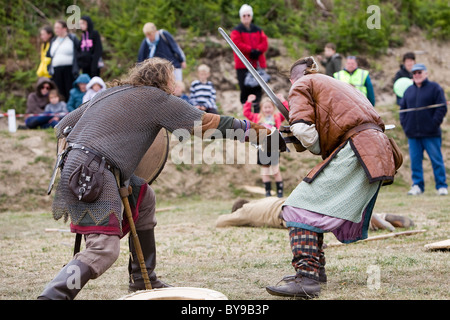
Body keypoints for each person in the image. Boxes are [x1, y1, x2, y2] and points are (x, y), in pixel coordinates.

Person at [37, 57, 272, 299]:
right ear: (165, 81)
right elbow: (207, 123)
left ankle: (143, 278)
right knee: (103, 250)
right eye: (173, 80)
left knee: (144, 196)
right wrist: (255, 131)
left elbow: (62, 127)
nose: (175, 86)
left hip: (77, 167)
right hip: (94, 173)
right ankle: (53, 296)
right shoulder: (158, 99)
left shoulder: (109, 93)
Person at [265, 57, 397, 298]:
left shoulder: (301, 85)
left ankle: (306, 278)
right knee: (314, 207)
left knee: (296, 207)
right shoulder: (338, 85)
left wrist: (303, 137)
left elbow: (305, 130)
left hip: (359, 149)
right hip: (376, 149)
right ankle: (315, 271)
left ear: (294, 78)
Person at [216, 197, 414, 231]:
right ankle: (379, 216)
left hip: (285, 215)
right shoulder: (261, 202)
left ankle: (370, 221)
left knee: (323, 224)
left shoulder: (246, 211)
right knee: (329, 213)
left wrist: (241, 221)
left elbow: (221, 222)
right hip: (291, 201)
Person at [400, 63, 448, 196]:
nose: (417, 75)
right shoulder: (408, 91)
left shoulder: (435, 88)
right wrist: (406, 125)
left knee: (436, 160)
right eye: (414, 73)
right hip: (413, 134)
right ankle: (417, 185)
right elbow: (402, 110)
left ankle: (441, 186)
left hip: (431, 133)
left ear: (426, 73)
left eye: (419, 72)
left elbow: (442, 107)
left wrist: (433, 124)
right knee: (415, 162)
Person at [243, 94, 288, 197]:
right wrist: (249, 102)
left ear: (273, 107)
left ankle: (280, 193)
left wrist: (282, 100)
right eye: (265, 107)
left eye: (269, 107)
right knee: (265, 170)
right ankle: (267, 192)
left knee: (276, 170)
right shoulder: (257, 117)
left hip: (274, 146)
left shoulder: (276, 117)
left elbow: (286, 111)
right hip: (262, 147)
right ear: (262, 108)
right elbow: (246, 113)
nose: (267, 109)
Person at [231, 4, 269, 113]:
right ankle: (246, 112)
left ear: (251, 16)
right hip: (243, 64)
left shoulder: (258, 30)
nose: (246, 17)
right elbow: (237, 43)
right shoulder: (236, 31)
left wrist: (257, 50)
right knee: (245, 88)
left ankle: (257, 113)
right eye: (244, 15)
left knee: (257, 88)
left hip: (257, 63)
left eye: (248, 15)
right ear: (241, 17)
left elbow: (264, 42)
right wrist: (250, 50)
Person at [47, 20, 80, 101]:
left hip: (69, 69)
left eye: (58, 28)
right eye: (55, 28)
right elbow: (49, 55)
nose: (56, 30)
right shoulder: (53, 40)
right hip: (56, 69)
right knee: (59, 90)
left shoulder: (72, 38)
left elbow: (79, 51)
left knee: (69, 89)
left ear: (64, 29)